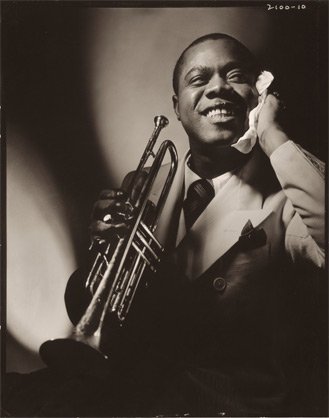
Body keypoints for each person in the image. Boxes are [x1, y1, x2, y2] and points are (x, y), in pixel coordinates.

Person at [3, 33, 326, 417]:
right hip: (132, 393)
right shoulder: (147, 181)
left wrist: (273, 136)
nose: (218, 87)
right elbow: (87, 308)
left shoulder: (290, 193)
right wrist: (100, 253)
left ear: (259, 95)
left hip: (223, 405)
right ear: (177, 107)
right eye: (198, 79)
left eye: (235, 75)